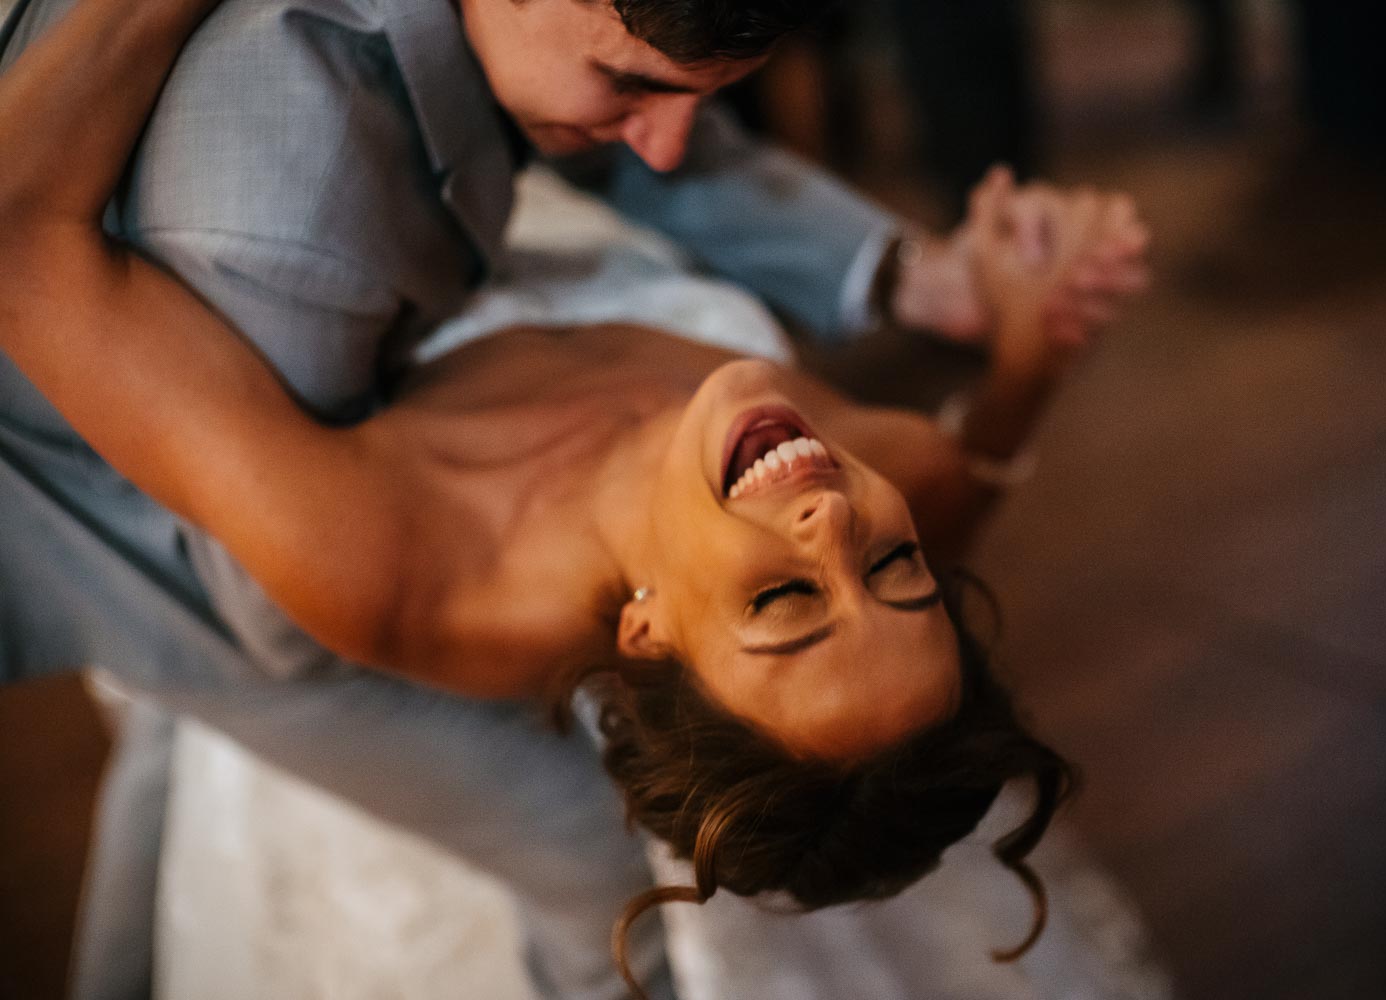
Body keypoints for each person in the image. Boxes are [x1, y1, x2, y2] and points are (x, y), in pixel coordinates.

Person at [0, 0, 1148, 996]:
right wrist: (1029, 350)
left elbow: (18, 250)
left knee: (586, 873)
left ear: (641, 627)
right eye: (897, 575)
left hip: (267, 618)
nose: (835, 521)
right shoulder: (862, 464)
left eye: (789, 601)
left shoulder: (401, 561)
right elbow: (964, 482)